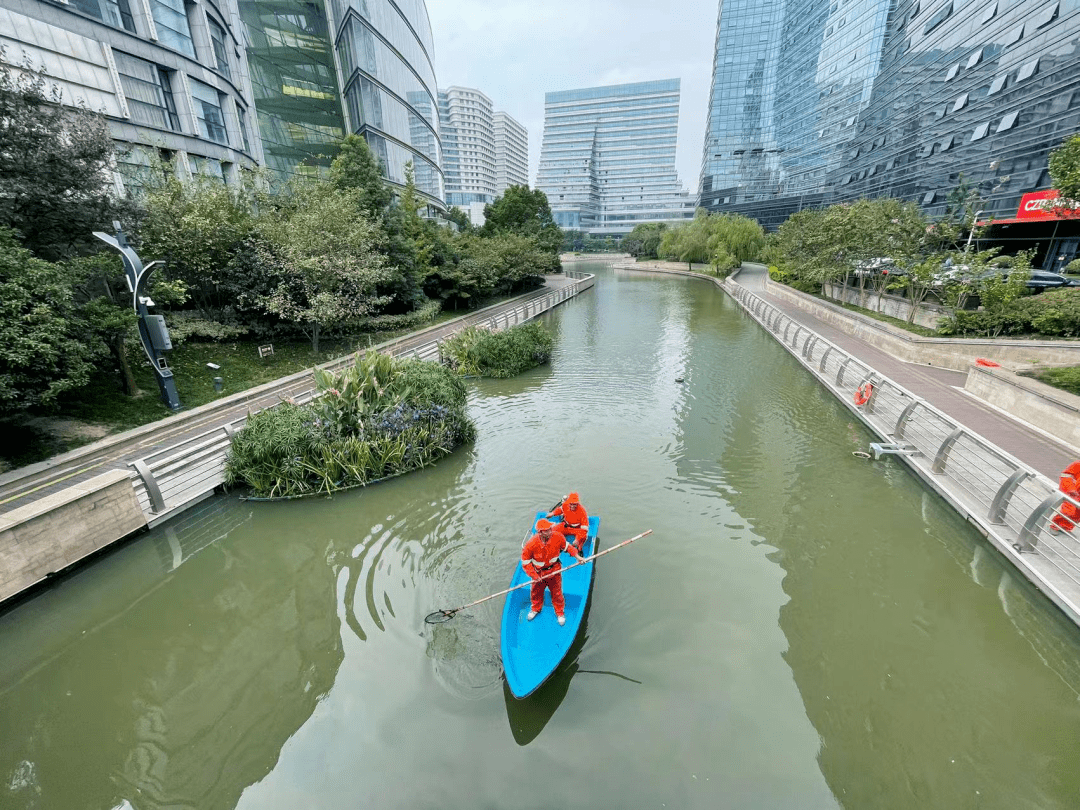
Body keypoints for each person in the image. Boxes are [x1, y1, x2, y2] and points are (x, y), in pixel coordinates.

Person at [521, 519, 581, 626]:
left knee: (557, 593)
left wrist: (578, 557)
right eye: (547, 530)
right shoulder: (531, 545)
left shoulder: (557, 537)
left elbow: (568, 547)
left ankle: (560, 613)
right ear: (540, 532)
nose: (550, 531)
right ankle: (535, 608)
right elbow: (526, 563)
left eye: (550, 529)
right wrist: (534, 576)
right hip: (538, 573)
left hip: (555, 571)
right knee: (536, 592)